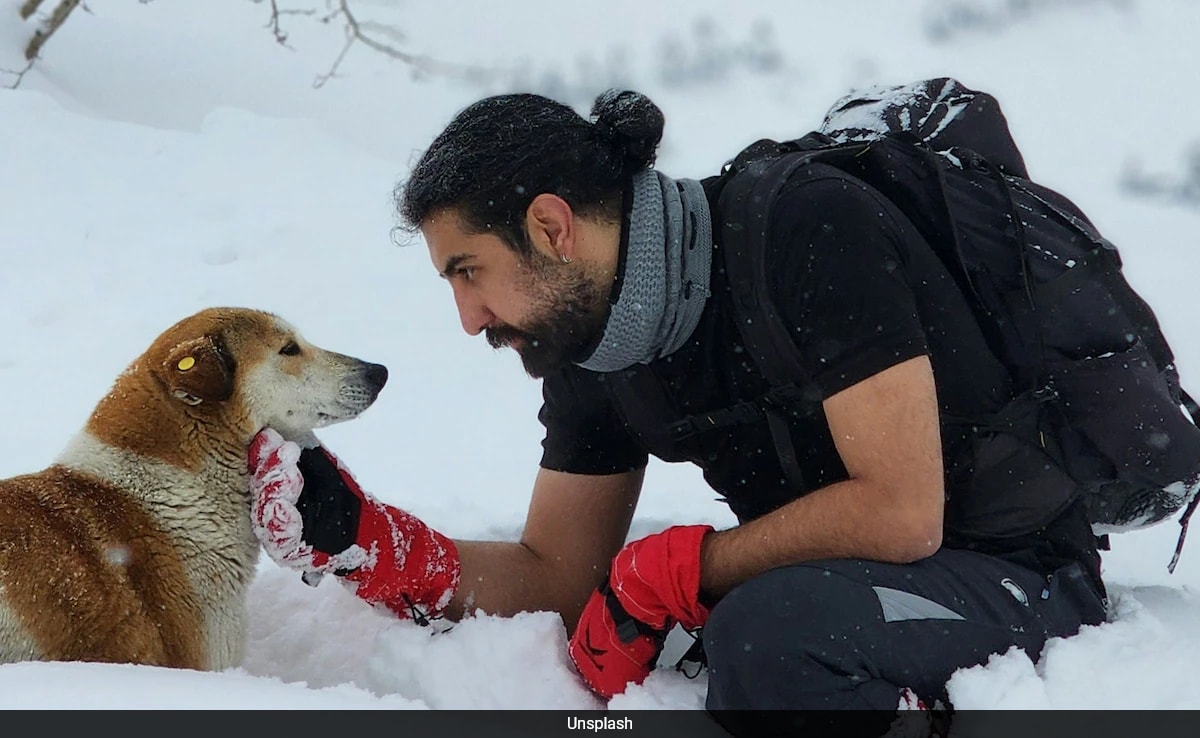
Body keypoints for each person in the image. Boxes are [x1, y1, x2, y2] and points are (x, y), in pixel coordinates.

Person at [246, 89, 1109, 731]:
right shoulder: (596, 353)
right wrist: (369, 540)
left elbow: (903, 512)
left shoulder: (805, 230)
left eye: (467, 272)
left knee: (769, 642)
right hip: (857, 584)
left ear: (551, 228)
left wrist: (685, 569)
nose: (468, 318)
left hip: (1011, 566)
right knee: (760, 632)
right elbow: (557, 576)